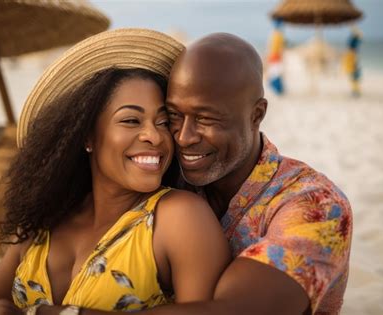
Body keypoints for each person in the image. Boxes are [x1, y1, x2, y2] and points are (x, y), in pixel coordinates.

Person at [0, 29, 231, 315]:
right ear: (87, 137)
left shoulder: (179, 217)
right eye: (131, 120)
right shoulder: (43, 223)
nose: (154, 137)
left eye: (163, 122)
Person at [136, 33, 353, 314]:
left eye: (205, 118)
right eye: (174, 115)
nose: (183, 137)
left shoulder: (317, 205)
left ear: (256, 115)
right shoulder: (164, 175)